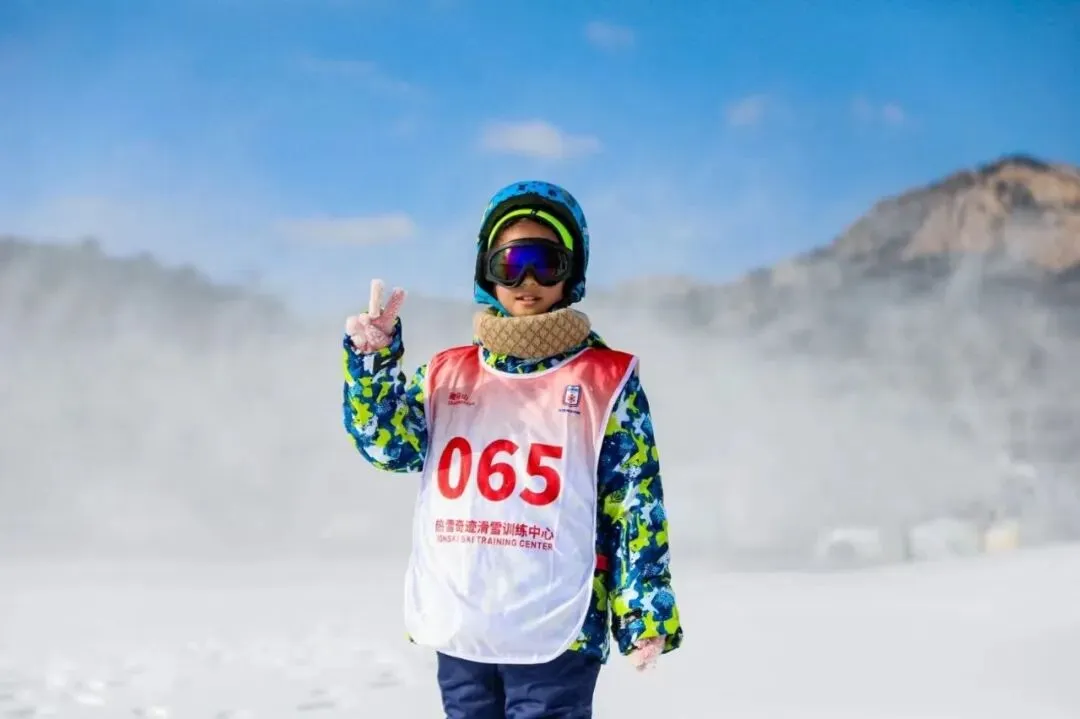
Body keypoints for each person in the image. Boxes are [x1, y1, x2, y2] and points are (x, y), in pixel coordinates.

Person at [342, 180, 683, 718]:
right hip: (463, 619)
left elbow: (635, 502)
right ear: (487, 272)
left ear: (571, 272)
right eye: (510, 264)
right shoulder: (446, 373)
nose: (528, 282)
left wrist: (644, 610)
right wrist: (373, 363)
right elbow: (390, 449)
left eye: (546, 263)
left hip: (557, 623)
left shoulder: (605, 380)